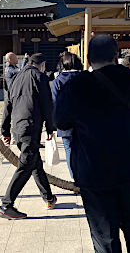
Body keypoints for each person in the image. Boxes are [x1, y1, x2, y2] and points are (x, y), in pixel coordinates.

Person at [55, 35, 130, 253]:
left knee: (104, 237)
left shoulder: (77, 85)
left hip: (93, 171)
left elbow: (59, 120)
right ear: (116, 55)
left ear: (88, 59)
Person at [0, 53, 57, 220]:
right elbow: (47, 104)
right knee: (26, 164)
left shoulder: (16, 78)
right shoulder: (40, 77)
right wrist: (50, 127)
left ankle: (49, 198)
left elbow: (7, 105)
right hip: (31, 126)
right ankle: (6, 205)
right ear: (41, 65)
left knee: (34, 162)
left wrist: (5, 131)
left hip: (18, 126)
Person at [51, 51, 83, 180]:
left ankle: (75, 178)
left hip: (65, 123)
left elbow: (54, 102)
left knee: (69, 151)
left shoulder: (57, 81)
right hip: (83, 122)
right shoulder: (84, 78)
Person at [1, 52, 22, 146]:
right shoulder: (10, 69)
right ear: (10, 60)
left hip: (11, 95)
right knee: (11, 116)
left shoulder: (13, 68)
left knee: (9, 116)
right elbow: (21, 73)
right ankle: (9, 136)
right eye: (15, 58)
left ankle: (9, 136)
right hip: (11, 96)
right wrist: (25, 60)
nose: (17, 59)